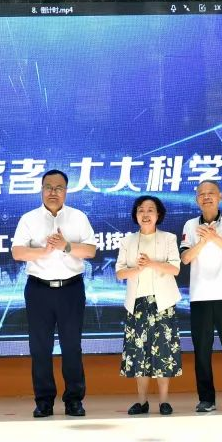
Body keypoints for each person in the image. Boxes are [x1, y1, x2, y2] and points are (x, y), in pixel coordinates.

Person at [11, 169, 97, 418]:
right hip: (38, 289)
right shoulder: (28, 219)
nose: (53, 192)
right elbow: (17, 252)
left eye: (59, 188)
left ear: (66, 191)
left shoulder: (78, 217)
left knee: (72, 347)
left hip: (71, 288)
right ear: (41, 190)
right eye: (48, 187)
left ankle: (74, 400)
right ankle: (44, 401)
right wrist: (45, 251)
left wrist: (65, 246)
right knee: (40, 348)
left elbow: (90, 251)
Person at [180, 180, 222, 413]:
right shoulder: (190, 225)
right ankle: (206, 398)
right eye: (201, 194)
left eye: (211, 193)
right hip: (200, 296)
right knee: (202, 351)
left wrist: (215, 237)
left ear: (220, 196)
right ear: (197, 199)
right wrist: (203, 241)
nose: (206, 197)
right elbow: (185, 258)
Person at [116, 196, 182, 416]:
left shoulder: (168, 238)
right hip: (137, 304)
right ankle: (142, 402)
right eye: (141, 210)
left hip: (163, 303)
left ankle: (164, 401)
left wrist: (151, 263)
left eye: (150, 210)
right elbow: (120, 272)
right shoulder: (127, 241)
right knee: (138, 354)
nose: (145, 214)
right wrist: (137, 269)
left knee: (164, 352)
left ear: (158, 214)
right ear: (136, 215)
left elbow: (175, 269)